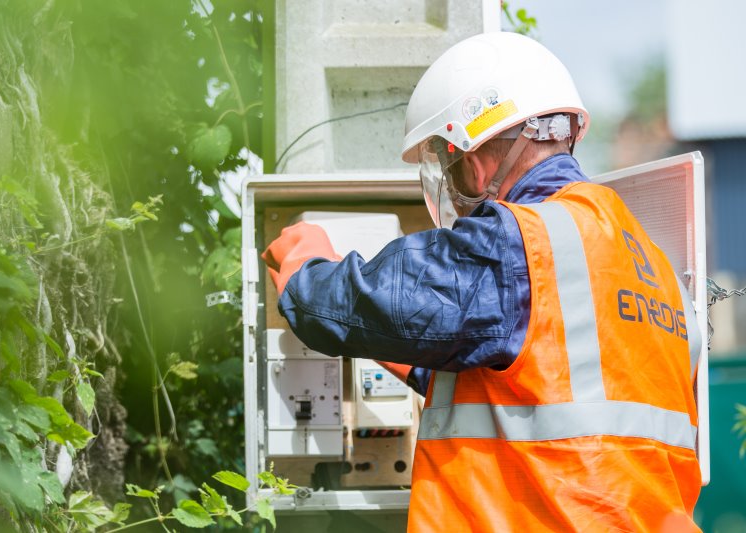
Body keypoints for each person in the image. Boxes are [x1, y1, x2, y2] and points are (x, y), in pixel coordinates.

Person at [262, 32, 702, 532]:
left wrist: (303, 265)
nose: (455, 184)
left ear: (469, 156)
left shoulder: (517, 241)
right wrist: (403, 355)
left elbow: (350, 302)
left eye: (450, 167)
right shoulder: (651, 264)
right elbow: (536, 387)